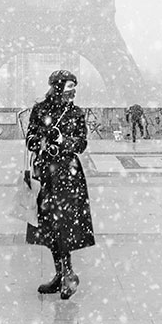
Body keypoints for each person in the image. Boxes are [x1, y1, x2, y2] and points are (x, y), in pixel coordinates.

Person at [26, 70, 95, 300]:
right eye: (69, 88)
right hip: (47, 174)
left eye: (74, 88)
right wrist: (44, 140)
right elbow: (30, 139)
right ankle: (61, 273)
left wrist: (62, 141)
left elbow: (82, 143)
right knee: (50, 226)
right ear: (57, 87)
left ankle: (68, 273)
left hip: (68, 175)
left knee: (64, 225)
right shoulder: (39, 110)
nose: (73, 92)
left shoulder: (76, 113)